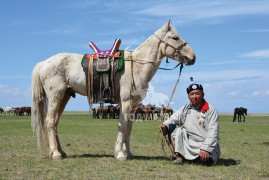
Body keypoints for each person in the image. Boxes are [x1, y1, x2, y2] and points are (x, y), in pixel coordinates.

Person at [160, 82, 220, 165]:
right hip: (188, 143)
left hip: (204, 143)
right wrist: (165, 126)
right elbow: (172, 119)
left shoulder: (211, 110)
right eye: (192, 94)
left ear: (203, 95)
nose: (194, 97)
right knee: (176, 128)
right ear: (188, 96)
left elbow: (213, 132)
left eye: (197, 94)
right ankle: (179, 156)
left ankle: (199, 157)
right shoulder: (185, 109)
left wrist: (206, 149)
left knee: (207, 161)